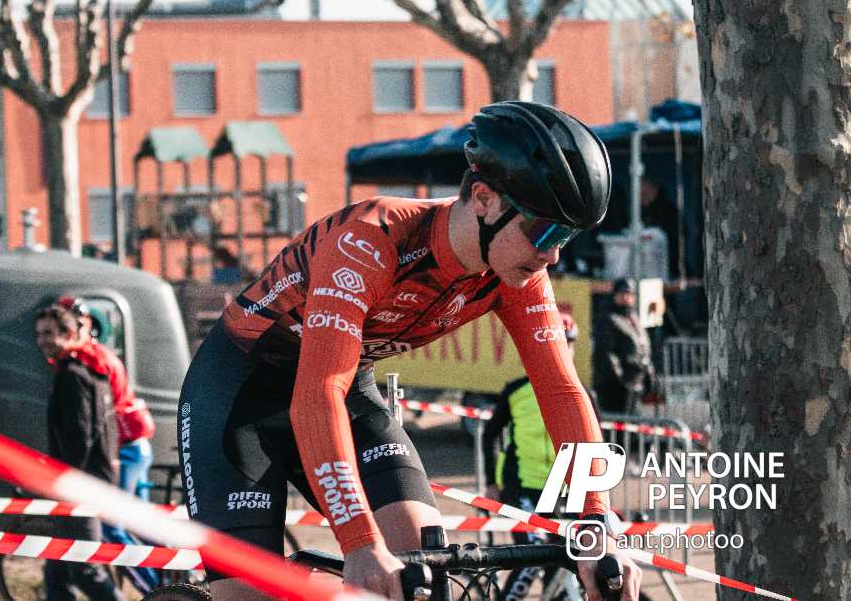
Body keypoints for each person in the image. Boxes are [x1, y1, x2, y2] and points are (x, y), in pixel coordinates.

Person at [178, 101, 641, 601]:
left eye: (566, 236)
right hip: (238, 395)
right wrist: (359, 542)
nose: (551, 254)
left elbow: (562, 392)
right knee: (251, 596)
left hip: (345, 392)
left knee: (422, 568)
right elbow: (316, 393)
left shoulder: (519, 272)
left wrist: (596, 521)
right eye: (544, 231)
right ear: (484, 200)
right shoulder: (370, 241)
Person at [481, 311, 597, 598]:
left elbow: (596, 448)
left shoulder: (583, 394)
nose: (564, 350)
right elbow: (489, 434)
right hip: (521, 488)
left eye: (569, 344)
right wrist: (492, 482)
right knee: (531, 557)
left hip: (562, 494)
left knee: (561, 562)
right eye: (559, 343)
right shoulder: (516, 391)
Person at [56, 295, 159, 593]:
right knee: (142, 524)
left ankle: (158, 593)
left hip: (123, 448)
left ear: (83, 325)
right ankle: (178, 579)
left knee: (112, 527)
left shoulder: (90, 359)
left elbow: (97, 415)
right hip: (135, 444)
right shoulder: (96, 353)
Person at [34, 306, 124, 601]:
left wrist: (62, 481)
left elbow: (79, 437)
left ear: (70, 333)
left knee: (85, 570)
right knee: (58, 570)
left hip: (80, 486)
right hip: (88, 480)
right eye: (39, 334)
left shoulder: (72, 375)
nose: (41, 340)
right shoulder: (88, 369)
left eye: (48, 333)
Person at [594, 278, 656, 414]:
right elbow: (606, 353)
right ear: (615, 295)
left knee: (634, 423)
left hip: (636, 383)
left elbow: (644, 348)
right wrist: (621, 379)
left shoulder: (634, 319)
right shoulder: (608, 318)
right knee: (618, 423)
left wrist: (648, 373)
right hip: (615, 387)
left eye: (630, 294)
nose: (626, 298)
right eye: (622, 294)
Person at [640, 175, 681, 278]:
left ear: (653, 188)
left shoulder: (669, 213)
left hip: (667, 270)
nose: (640, 198)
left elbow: (674, 248)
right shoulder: (643, 212)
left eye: (643, 194)